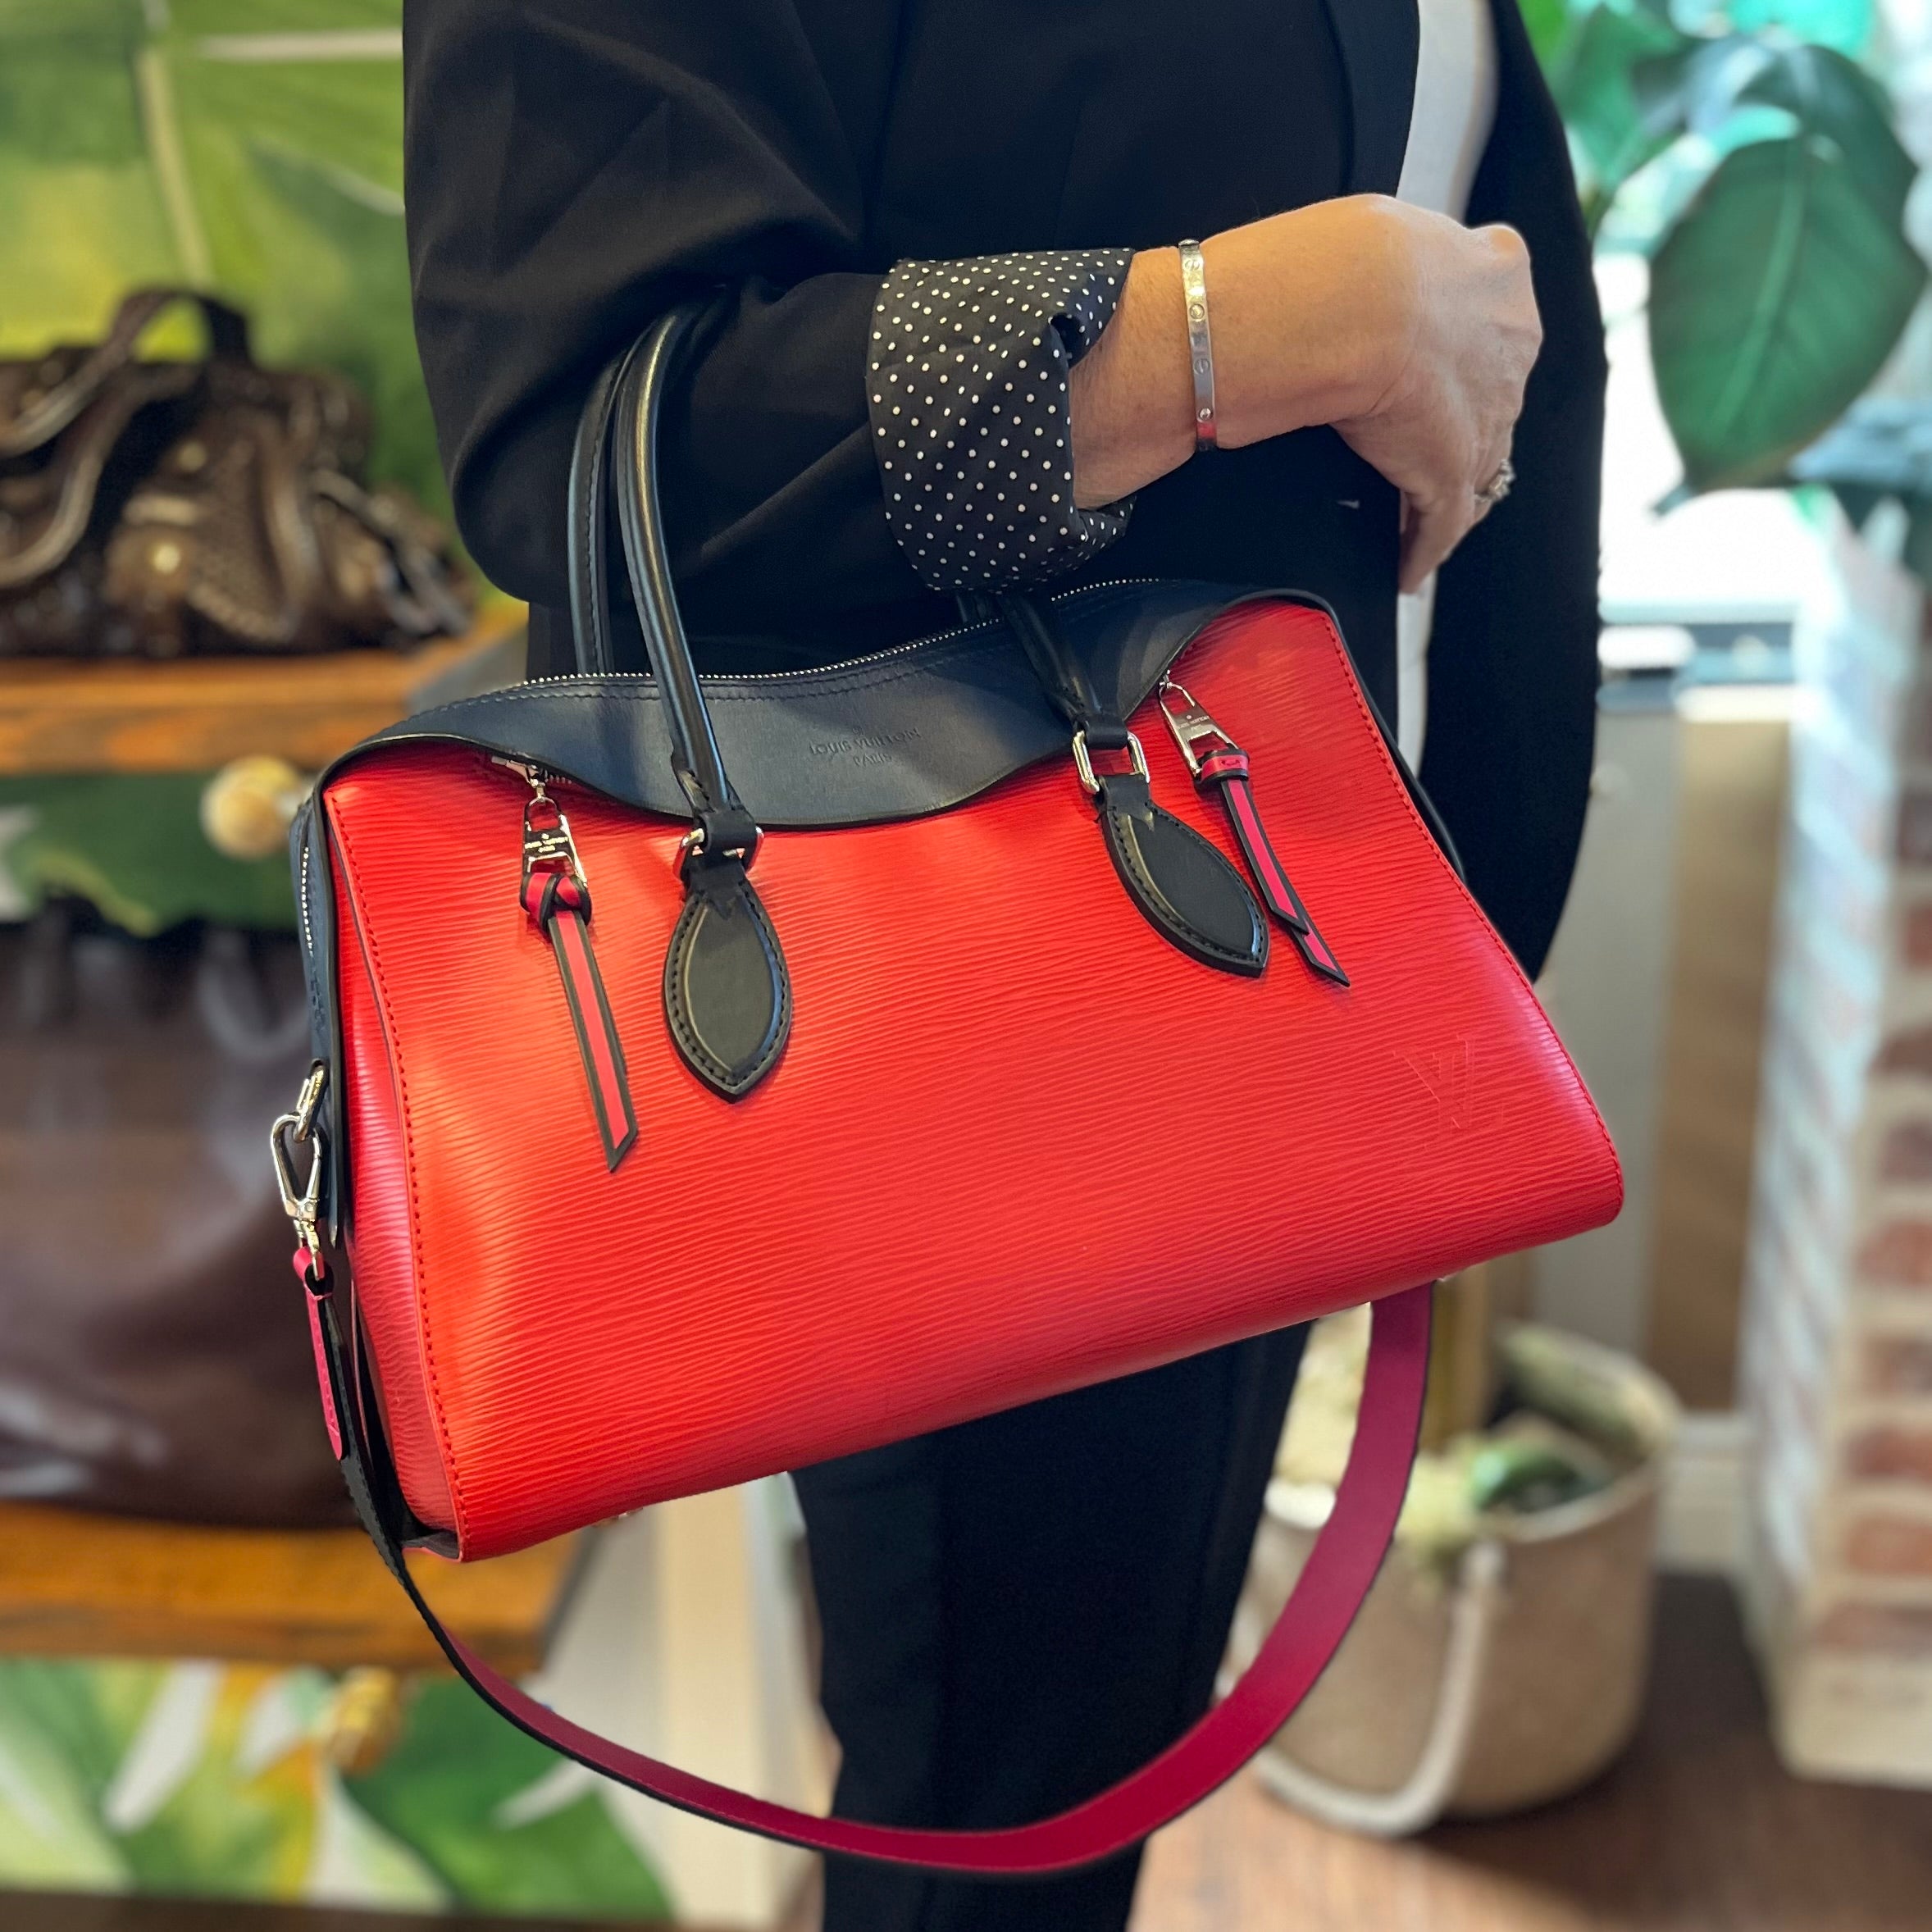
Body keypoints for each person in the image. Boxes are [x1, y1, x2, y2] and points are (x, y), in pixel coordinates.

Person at [400, 2, 1604, 1926]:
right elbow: (583, 431)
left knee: (1080, 1738)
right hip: (980, 997)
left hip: (1291, 924)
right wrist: (1229, 332)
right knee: (994, 1778)